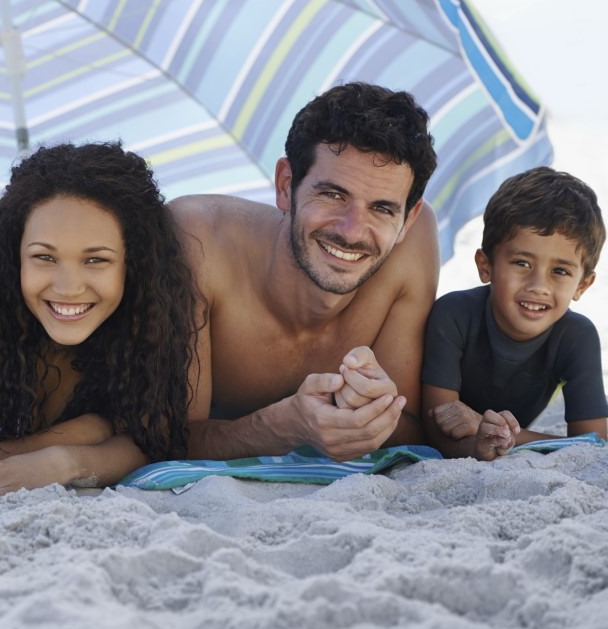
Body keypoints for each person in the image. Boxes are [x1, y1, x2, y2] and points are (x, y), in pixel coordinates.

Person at [170, 82, 440, 462]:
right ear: (286, 185)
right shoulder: (197, 240)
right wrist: (285, 425)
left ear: (407, 219)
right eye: (332, 195)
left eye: (382, 209)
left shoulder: (414, 244)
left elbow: (413, 426)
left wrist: (374, 412)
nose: (351, 232)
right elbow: (163, 438)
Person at [0, 142, 199, 501]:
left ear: (132, 263)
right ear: (14, 254)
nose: (68, 288)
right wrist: (93, 429)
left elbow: (155, 438)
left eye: (95, 260)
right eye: (44, 257)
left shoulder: (145, 313)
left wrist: (66, 463)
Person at [422, 167, 608, 459]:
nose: (539, 286)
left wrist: (499, 433)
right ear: (486, 266)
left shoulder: (577, 337)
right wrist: (479, 444)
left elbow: (594, 443)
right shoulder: (453, 315)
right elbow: (436, 429)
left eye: (560, 271)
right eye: (522, 263)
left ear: (582, 285)